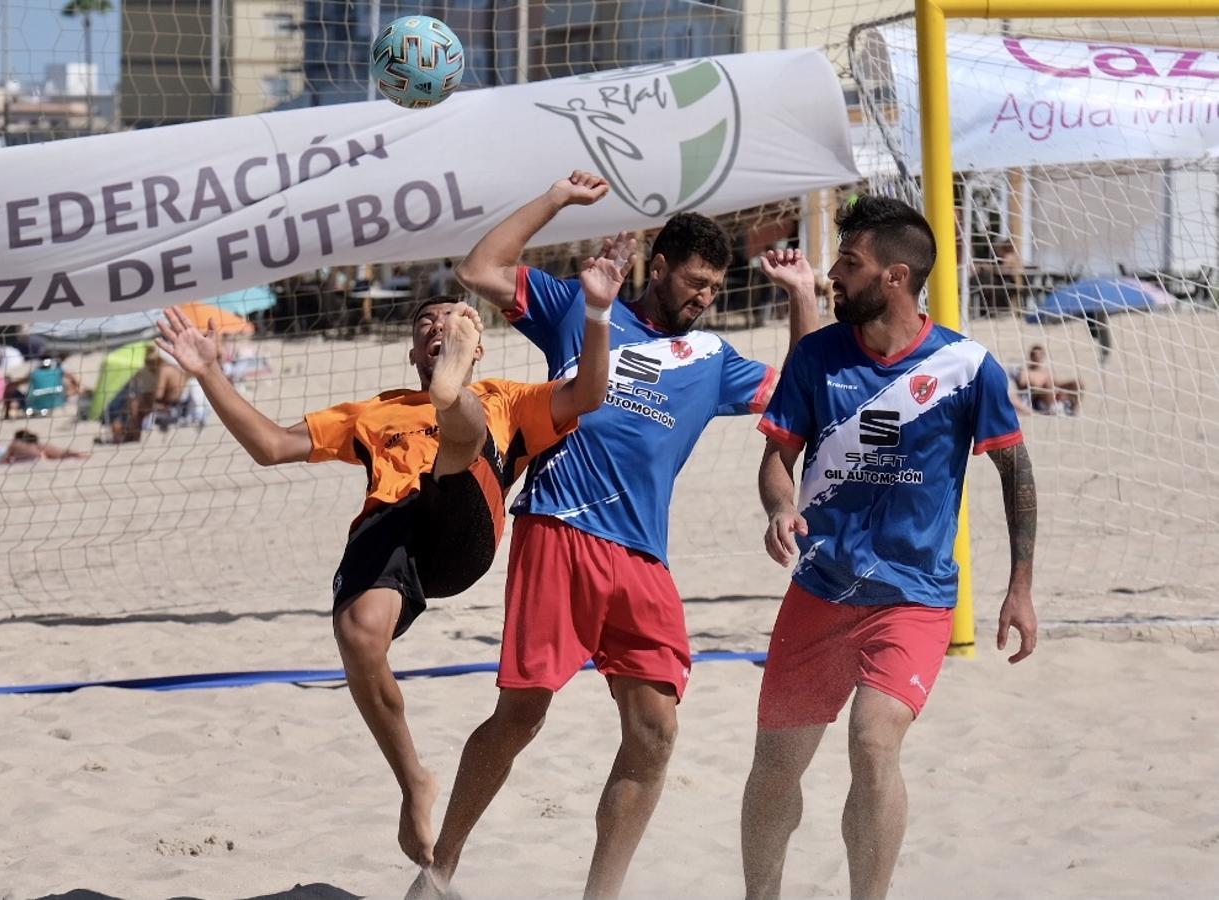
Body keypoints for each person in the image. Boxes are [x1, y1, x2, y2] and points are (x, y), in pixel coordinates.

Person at [415, 170, 819, 899]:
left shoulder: (714, 360)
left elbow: (805, 393)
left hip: (641, 555)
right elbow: (478, 270)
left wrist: (801, 297)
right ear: (655, 268)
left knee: (655, 732)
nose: (703, 297)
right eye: (694, 282)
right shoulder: (579, 308)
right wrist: (556, 201)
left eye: (715, 289)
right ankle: (439, 869)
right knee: (521, 716)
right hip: (560, 529)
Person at [153, 257, 625, 868]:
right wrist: (210, 372)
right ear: (412, 353)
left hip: (465, 523)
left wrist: (596, 310)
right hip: (395, 525)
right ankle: (415, 782)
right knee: (357, 633)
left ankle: (450, 400)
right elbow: (270, 446)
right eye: (428, 323)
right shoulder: (375, 413)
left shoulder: (511, 398)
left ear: (477, 348)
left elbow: (590, 391)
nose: (440, 326)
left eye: (457, 321)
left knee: (464, 430)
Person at [741, 195, 1038, 900]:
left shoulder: (967, 368)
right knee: (776, 768)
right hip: (818, 592)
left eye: (849, 264)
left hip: (912, 599)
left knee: (873, 745)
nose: (834, 277)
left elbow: (1016, 473)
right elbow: (776, 455)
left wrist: (1019, 587)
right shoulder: (816, 357)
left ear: (896, 277)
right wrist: (781, 506)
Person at [105, 348, 188, 443]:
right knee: (135, 403)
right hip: (176, 405)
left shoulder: (164, 369)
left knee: (134, 404)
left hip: (171, 407)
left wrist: (146, 397)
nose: (150, 365)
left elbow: (158, 396)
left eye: (150, 362)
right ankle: (131, 433)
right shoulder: (173, 368)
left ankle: (134, 435)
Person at [1012, 344, 1083, 416]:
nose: (1038, 358)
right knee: (1048, 383)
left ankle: (1073, 409)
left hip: (1052, 391)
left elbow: (1055, 382)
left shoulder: (1046, 370)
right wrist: (1040, 384)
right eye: (1035, 355)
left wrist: (1065, 386)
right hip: (1037, 397)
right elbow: (1022, 388)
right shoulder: (1025, 371)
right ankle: (1053, 408)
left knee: (1078, 384)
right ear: (1031, 356)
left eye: (1040, 355)